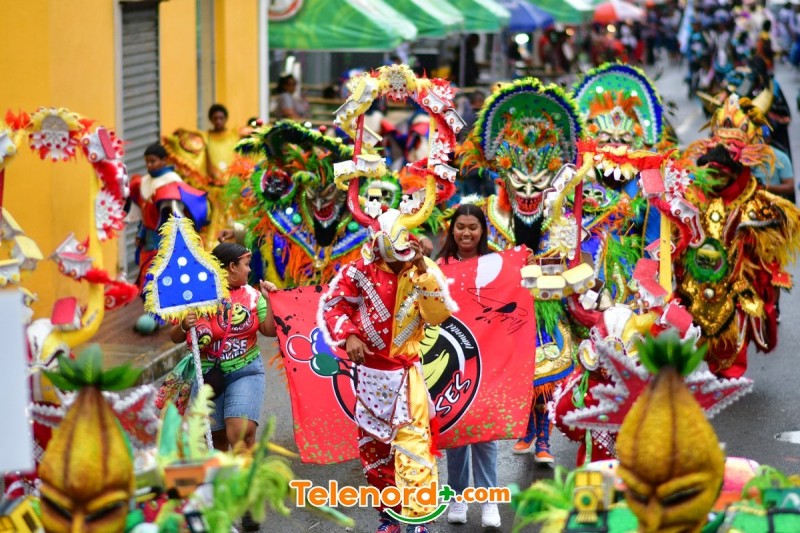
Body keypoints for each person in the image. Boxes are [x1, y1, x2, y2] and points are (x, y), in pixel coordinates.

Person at [319, 214, 454, 533]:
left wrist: (422, 272)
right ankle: (389, 518)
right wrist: (349, 335)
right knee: (375, 453)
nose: (389, 257)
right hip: (370, 378)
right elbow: (333, 305)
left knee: (414, 450)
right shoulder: (357, 271)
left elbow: (437, 316)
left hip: (407, 379)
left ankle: (417, 522)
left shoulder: (424, 269)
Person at [171, 243, 277, 452]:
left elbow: (269, 330)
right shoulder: (199, 295)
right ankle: (223, 474)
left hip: (246, 371)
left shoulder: (253, 295)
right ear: (232, 267)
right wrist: (184, 325)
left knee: (240, 433)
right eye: (246, 264)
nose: (249, 269)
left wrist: (270, 300)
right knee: (216, 442)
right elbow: (175, 337)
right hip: (208, 376)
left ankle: (245, 473)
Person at [436, 205, 501, 528]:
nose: (466, 233)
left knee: (485, 433)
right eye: (460, 226)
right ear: (452, 230)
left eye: (472, 227)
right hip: (452, 361)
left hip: (488, 358)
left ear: (482, 230)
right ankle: (457, 496)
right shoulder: (438, 267)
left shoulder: (496, 264)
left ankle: (490, 499)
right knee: (456, 431)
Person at [128, 142, 208, 296]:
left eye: (153, 161)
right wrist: (141, 233)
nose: (149, 165)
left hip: (166, 238)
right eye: (147, 162)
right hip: (149, 239)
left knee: (166, 278)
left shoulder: (172, 182)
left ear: (164, 160)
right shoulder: (143, 181)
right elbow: (144, 214)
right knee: (147, 278)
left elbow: (178, 216)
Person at [205, 103, 242, 183]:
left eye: (221, 118)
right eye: (215, 118)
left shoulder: (234, 135)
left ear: (226, 119)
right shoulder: (206, 137)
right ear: (211, 120)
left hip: (233, 181)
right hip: (213, 182)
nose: (218, 121)